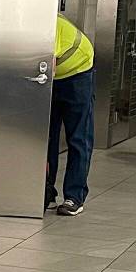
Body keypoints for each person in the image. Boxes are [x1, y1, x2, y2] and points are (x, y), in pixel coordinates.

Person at [46, 14, 95, 216]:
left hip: (77, 74)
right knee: (44, 137)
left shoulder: (47, 23)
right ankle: (45, 192)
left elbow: (48, 63)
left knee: (78, 137)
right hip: (53, 76)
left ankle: (74, 196)